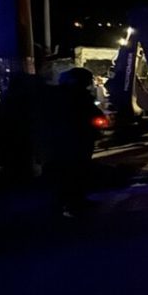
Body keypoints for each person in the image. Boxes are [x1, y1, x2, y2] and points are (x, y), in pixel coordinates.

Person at [44, 68, 104, 216]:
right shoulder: (76, 96)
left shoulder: (58, 95)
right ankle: (71, 202)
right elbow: (90, 114)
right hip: (76, 139)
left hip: (70, 139)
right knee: (74, 171)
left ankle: (71, 200)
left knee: (72, 171)